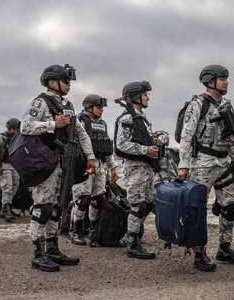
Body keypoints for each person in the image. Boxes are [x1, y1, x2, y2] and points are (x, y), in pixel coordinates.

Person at [20, 64, 96, 272]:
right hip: (45, 162)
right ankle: (38, 253)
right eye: (66, 81)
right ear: (53, 82)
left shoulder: (68, 105)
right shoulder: (41, 102)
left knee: (57, 206)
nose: (69, 85)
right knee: (43, 207)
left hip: (64, 162)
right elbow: (25, 125)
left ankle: (53, 249)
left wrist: (90, 156)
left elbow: (81, 132)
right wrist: (53, 124)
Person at [177, 64, 234, 271]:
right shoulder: (197, 104)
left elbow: (232, 136)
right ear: (210, 81)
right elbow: (186, 136)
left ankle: (224, 249)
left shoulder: (227, 105)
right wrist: (184, 165)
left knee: (230, 206)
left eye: (226, 78)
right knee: (198, 209)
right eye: (222, 78)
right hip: (203, 164)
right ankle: (199, 253)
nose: (226, 82)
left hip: (224, 163)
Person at [114, 80, 159, 260]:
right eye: (145, 94)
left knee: (148, 203)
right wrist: (144, 150)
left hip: (145, 167)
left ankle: (129, 236)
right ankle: (133, 243)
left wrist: (152, 137)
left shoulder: (141, 118)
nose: (148, 97)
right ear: (135, 96)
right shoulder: (127, 118)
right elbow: (121, 143)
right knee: (137, 205)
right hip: (134, 168)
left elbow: (138, 138)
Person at [68, 94, 119, 246]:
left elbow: (106, 147)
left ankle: (93, 230)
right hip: (85, 165)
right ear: (89, 107)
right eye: (98, 107)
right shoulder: (80, 121)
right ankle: (75, 230)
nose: (101, 110)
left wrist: (113, 167)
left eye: (102, 107)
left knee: (99, 199)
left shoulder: (102, 123)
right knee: (83, 199)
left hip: (101, 165)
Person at [0, 118, 21, 222]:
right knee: (7, 187)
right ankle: (7, 209)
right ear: (10, 128)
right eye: (15, 129)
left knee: (15, 186)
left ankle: (4, 208)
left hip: (15, 166)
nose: (16, 131)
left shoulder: (18, 138)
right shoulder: (1, 137)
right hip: (4, 165)